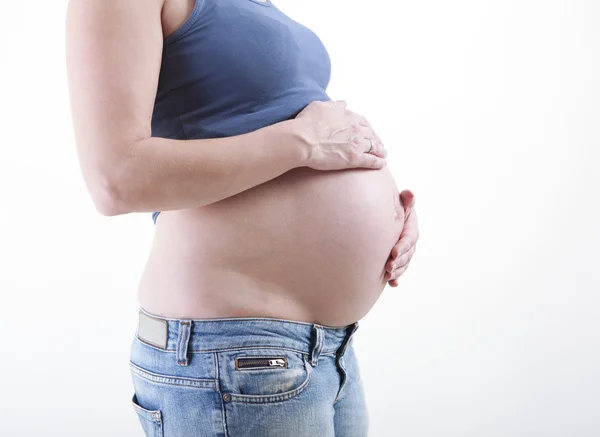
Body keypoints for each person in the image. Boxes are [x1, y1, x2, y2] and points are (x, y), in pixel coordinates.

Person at [65, 0, 420, 435]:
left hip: (328, 348)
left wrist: (391, 217)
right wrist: (302, 144)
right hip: (233, 354)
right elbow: (115, 179)